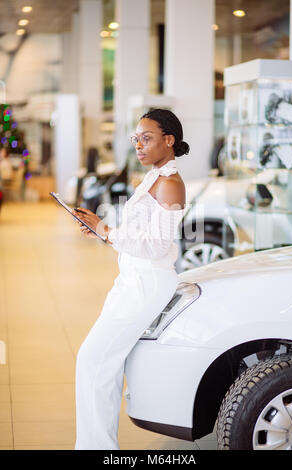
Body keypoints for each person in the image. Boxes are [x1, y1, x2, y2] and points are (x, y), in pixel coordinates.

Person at [73, 108, 189, 450]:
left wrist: (106, 231)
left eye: (147, 138)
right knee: (99, 362)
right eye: (136, 138)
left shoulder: (170, 184)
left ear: (169, 140)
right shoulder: (153, 177)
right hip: (132, 279)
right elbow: (139, 236)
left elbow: (157, 246)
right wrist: (100, 233)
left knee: (93, 359)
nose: (139, 145)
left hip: (147, 282)